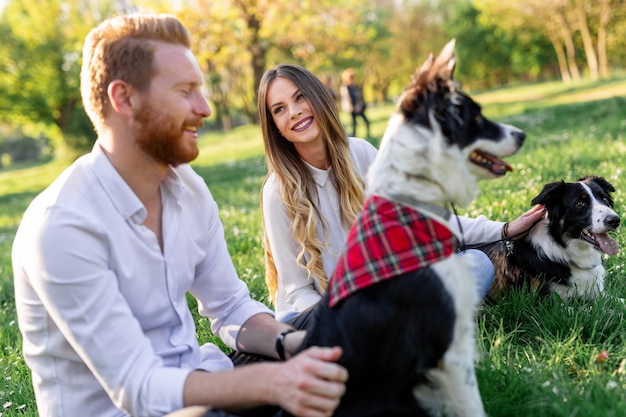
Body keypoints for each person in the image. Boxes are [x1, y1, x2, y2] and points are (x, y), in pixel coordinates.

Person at [11, 14, 347, 417]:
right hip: (136, 409)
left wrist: (296, 346)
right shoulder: (61, 226)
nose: (204, 108)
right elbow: (138, 386)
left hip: (200, 382)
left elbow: (230, 308)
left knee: (332, 328)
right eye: (185, 92)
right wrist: (276, 383)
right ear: (125, 99)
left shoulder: (188, 189)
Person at [258, 64, 546, 321]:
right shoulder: (277, 191)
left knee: (477, 265)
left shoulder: (360, 153)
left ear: (318, 98)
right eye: (279, 109)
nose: (294, 112)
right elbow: (297, 290)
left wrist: (505, 229)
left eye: (299, 97)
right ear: (275, 127)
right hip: (324, 315)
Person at [339, 68, 370, 138]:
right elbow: (347, 98)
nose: (352, 79)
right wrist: (354, 106)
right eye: (351, 77)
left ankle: (368, 134)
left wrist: (360, 105)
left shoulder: (355, 86)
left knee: (366, 121)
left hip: (359, 107)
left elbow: (360, 96)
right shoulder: (345, 87)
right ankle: (354, 136)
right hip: (352, 108)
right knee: (354, 123)